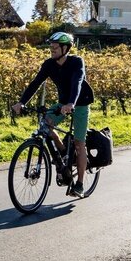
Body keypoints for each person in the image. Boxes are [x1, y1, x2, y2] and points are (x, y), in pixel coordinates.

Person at [11, 32, 94, 198]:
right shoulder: (49, 64)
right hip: (63, 103)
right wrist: (22, 102)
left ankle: (80, 184)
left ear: (65, 48)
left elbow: (78, 82)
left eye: (55, 47)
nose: (52, 50)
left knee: (79, 143)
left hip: (81, 103)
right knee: (46, 123)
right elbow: (35, 83)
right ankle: (63, 153)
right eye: (51, 47)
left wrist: (71, 103)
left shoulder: (77, 62)